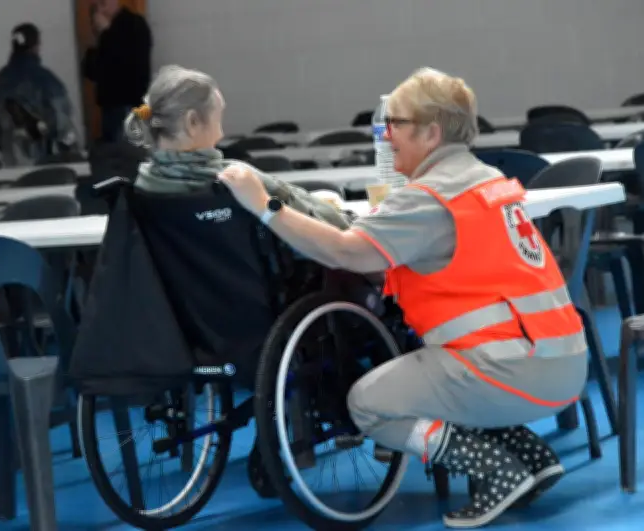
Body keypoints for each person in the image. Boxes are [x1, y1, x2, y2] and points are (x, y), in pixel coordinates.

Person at [217, 67, 588, 528]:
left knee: (367, 403)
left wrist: (264, 205)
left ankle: (496, 471)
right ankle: (532, 455)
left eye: (394, 124)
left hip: (507, 371)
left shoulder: (427, 198)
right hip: (563, 365)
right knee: (435, 366)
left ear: (431, 133)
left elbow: (345, 252)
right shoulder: (485, 179)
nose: (385, 136)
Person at [123, 65, 350, 229]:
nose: (221, 133)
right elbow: (323, 223)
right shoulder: (238, 180)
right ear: (193, 122)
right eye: (218, 119)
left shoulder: (139, 191)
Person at [0, 23, 79, 166]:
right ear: (36, 46)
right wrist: (71, 150)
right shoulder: (46, 79)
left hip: (12, 160)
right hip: (46, 160)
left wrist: (2, 144)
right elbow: (61, 121)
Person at [83, 0, 152, 142]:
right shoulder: (105, 33)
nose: (101, 10)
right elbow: (92, 71)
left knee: (125, 153)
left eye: (103, 3)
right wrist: (98, 38)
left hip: (128, 103)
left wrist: (106, 34)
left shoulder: (134, 24)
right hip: (109, 106)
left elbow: (126, 64)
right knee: (114, 153)